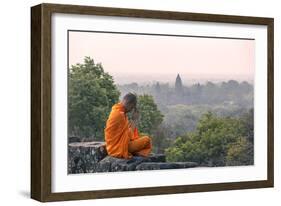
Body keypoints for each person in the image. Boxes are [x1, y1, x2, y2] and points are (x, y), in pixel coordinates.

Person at [104, 93, 152, 159]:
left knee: (139, 139)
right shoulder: (120, 115)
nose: (131, 110)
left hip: (112, 147)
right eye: (132, 107)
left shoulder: (116, 110)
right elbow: (128, 135)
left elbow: (125, 134)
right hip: (119, 148)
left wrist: (133, 121)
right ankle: (137, 153)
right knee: (147, 140)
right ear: (130, 104)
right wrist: (134, 120)